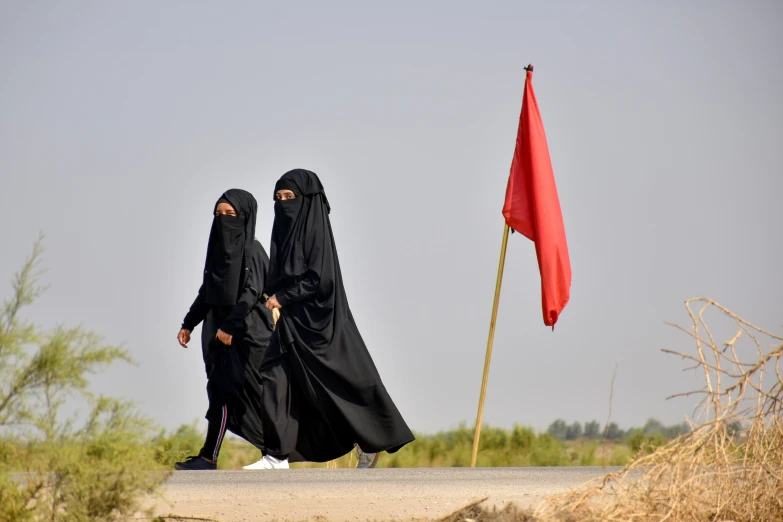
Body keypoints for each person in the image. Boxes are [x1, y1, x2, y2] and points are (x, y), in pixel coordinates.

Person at [242, 169, 414, 470]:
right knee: (274, 376)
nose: (283, 204)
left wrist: (283, 297)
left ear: (306, 200)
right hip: (292, 322)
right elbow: (279, 275)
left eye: (290, 198)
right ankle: (277, 455)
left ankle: (372, 440)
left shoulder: (315, 231)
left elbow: (319, 279)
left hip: (322, 324)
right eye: (278, 198)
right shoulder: (283, 234)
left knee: (346, 383)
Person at [174, 189, 276, 470]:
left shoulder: (253, 250)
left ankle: (276, 454)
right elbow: (209, 290)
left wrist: (231, 326)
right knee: (219, 392)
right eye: (218, 215)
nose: (223, 220)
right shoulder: (218, 252)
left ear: (244, 217)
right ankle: (209, 456)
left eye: (230, 215)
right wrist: (189, 323)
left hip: (250, 334)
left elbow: (252, 291)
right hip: (219, 335)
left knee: (257, 396)